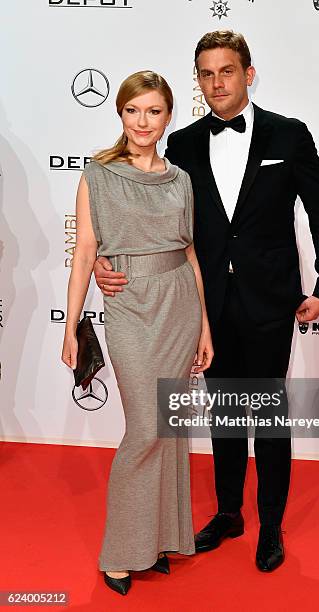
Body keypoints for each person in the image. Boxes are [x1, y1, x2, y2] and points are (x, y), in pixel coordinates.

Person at [94, 30, 319, 573]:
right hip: (203, 302)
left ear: (248, 74)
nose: (216, 83)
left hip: (271, 297)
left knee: (268, 413)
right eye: (206, 74)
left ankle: (270, 525)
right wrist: (99, 260)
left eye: (226, 71)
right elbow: (147, 222)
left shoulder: (289, 134)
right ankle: (229, 512)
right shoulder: (180, 143)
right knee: (224, 412)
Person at [61, 70, 213, 596]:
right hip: (130, 306)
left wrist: (204, 328)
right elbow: (84, 252)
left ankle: (161, 539)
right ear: (120, 113)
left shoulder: (180, 180)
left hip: (179, 305)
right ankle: (121, 551)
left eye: (153, 111)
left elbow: (190, 252)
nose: (143, 121)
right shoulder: (98, 175)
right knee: (146, 429)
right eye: (133, 110)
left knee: (170, 430)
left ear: (169, 116)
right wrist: (71, 326)